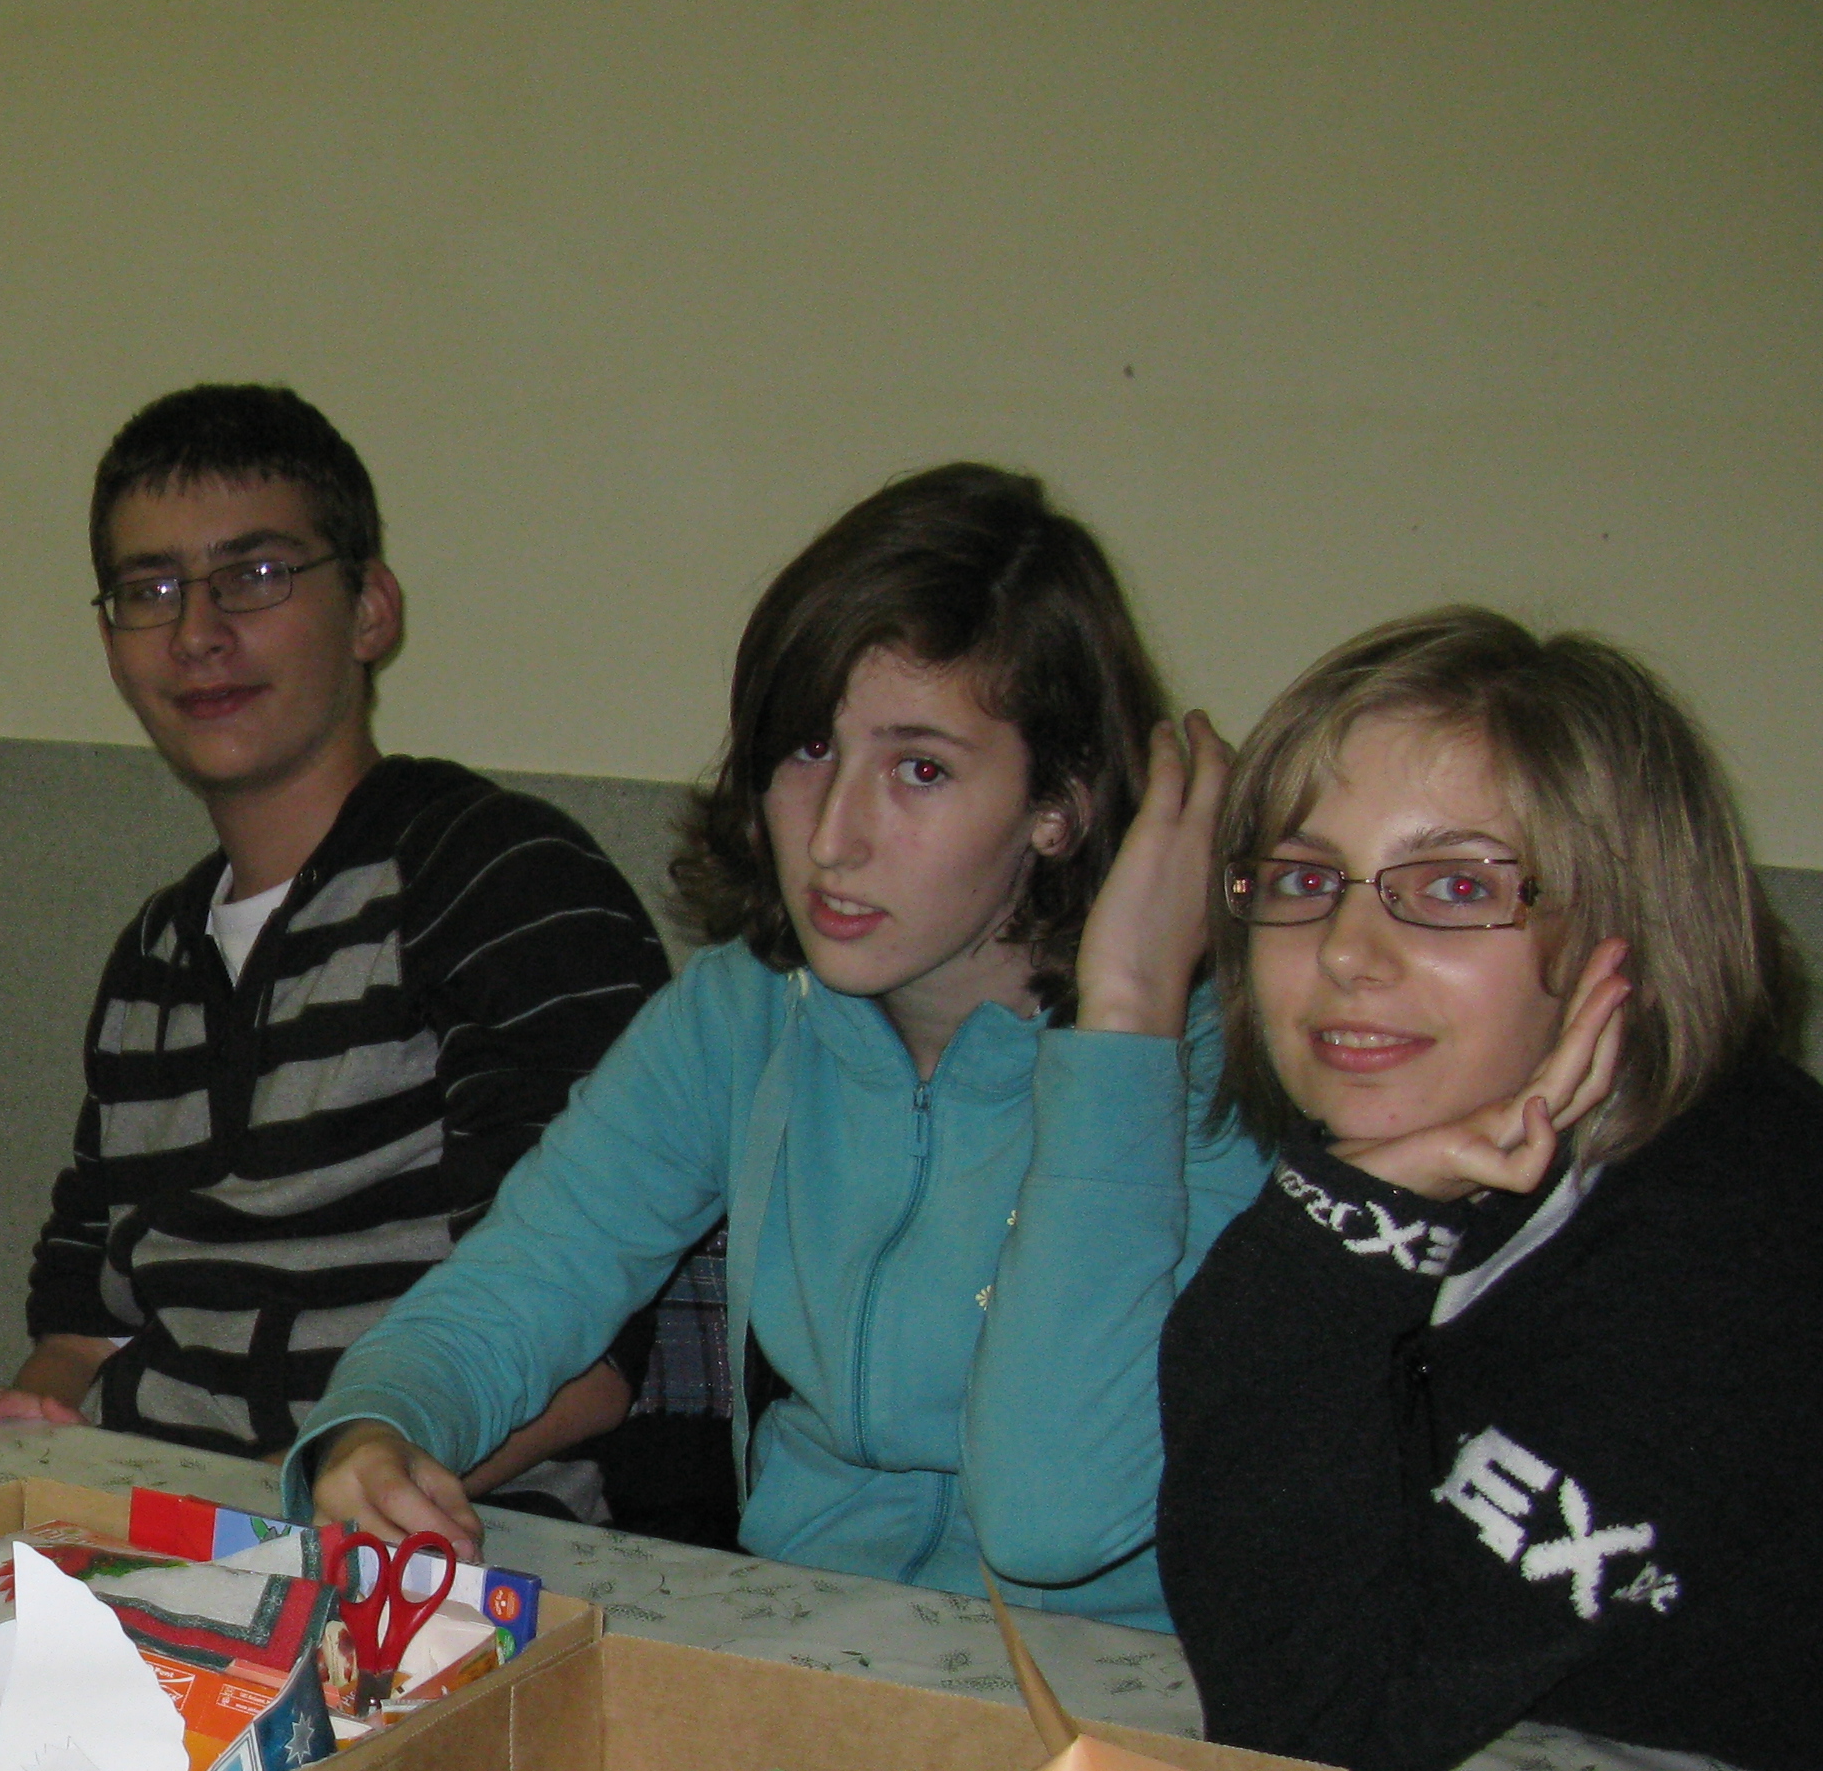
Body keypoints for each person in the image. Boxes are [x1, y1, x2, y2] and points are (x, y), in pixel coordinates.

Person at [299, 462, 1260, 1629]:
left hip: (1121, 1682)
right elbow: (524, 1281)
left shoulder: (1204, 1073)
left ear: (1056, 805)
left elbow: (1060, 1520)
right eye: (807, 749)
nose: (834, 837)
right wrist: (377, 1426)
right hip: (810, 1638)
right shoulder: (743, 1012)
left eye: (920, 769)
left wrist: (1121, 1040)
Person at [0, 383, 670, 1462]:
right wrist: (27, 1439)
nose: (196, 634)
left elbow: (585, 1358)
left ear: (370, 610)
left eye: (255, 576)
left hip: (426, 1529)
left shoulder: (501, 884)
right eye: (149, 590)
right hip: (165, 1523)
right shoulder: (153, 960)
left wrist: (309, 1502)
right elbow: (78, 1336)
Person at [1158, 610, 1819, 1771]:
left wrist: (1325, 1243)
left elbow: (1308, 1736)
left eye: (1456, 886)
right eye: (1303, 880)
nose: (1347, 951)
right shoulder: (1441, 1154)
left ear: (1630, 932)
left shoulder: (1742, 1238)